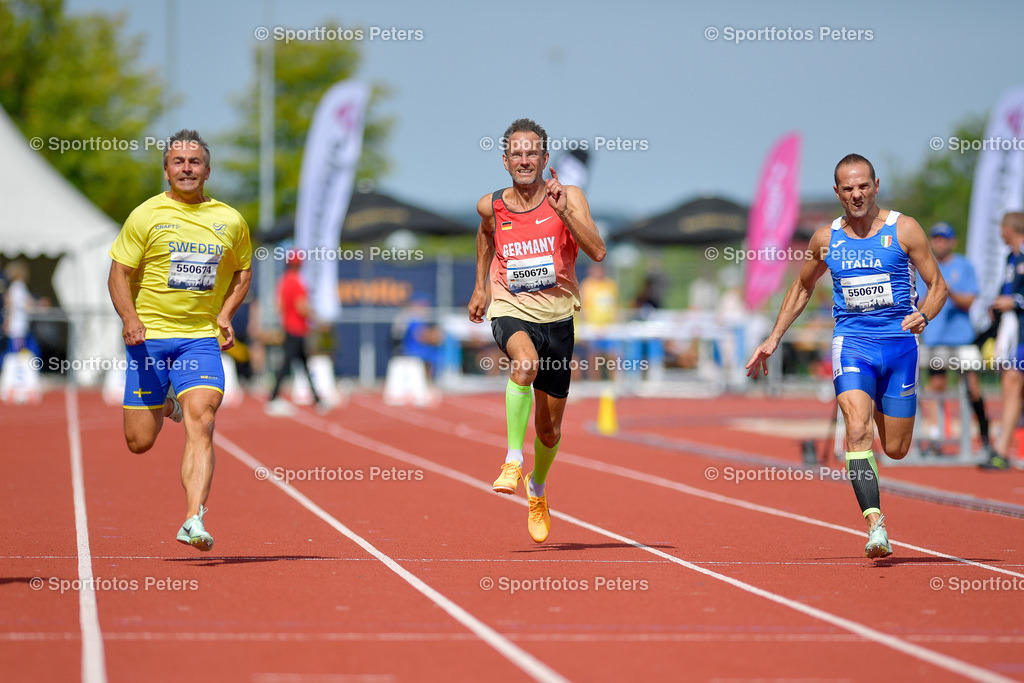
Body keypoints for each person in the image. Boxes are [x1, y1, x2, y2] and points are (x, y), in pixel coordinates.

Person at [746, 154, 947, 559]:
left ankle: (877, 406)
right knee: (856, 431)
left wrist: (924, 313)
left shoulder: (903, 229)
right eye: (848, 188)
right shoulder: (825, 239)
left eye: (863, 186)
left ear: (875, 185)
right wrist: (774, 337)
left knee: (895, 448)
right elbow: (802, 288)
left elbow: (937, 284)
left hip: (900, 346)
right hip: (852, 343)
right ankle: (875, 525)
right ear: (837, 192)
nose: (856, 194)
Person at [108, 130, 252, 552]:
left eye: (194, 162)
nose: (186, 168)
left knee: (203, 420)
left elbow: (243, 272)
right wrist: (130, 318)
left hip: (198, 340)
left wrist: (225, 314)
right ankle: (166, 406)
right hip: (148, 339)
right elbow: (118, 274)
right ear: (167, 170)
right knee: (140, 442)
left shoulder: (230, 220)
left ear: (207, 169)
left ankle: (193, 517)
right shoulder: (145, 215)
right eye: (178, 162)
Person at [468, 118, 606, 543]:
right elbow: (486, 237)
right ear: (506, 160)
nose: (524, 160)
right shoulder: (491, 205)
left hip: (558, 319)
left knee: (549, 431)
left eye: (533, 153)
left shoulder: (570, 196)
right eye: (517, 153)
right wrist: (480, 287)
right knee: (523, 364)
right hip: (511, 307)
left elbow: (597, 251)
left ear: (545, 159)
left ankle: (538, 489)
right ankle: (512, 460)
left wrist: (564, 210)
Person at [915, 223, 991, 459]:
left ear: (953, 241)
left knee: (972, 389)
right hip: (935, 340)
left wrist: (947, 291)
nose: (939, 242)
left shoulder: (964, 266)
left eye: (944, 238)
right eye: (935, 238)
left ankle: (985, 436)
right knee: (935, 389)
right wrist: (933, 293)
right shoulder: (923, 267)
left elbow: (970, 302)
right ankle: (937, 437)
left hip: (962, 340)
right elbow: (916, 303)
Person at [266, 251, 327, 415]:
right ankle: (273, 399)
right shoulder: (297, 282)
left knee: (302, 365)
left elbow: (279, 306)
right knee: (288, 365)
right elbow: (302, 306)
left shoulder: (284, 281)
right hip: (297, 329)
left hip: (289, 327)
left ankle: (317, 400)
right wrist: (317, 320)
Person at [988, 211, 1024, 470]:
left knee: (1012, 380)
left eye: (1002, 228)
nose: (1000, 233)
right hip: (1014, 334)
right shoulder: (1010, 257)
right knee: (1011, 380)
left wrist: (1014, 301)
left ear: (1010, 229)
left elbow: (1016, 296)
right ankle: (1001, 449)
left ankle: (1001, 449)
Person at [578, 262, 620, 380]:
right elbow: (582, 308)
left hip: (609, 327)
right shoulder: (586, 285)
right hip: (593, 327)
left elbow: (615, 306)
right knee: (594, 357)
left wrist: (616, 325)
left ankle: (614, 382)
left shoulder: (611, 285)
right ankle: (594, 383)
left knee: (612, 356)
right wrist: (584, 328)